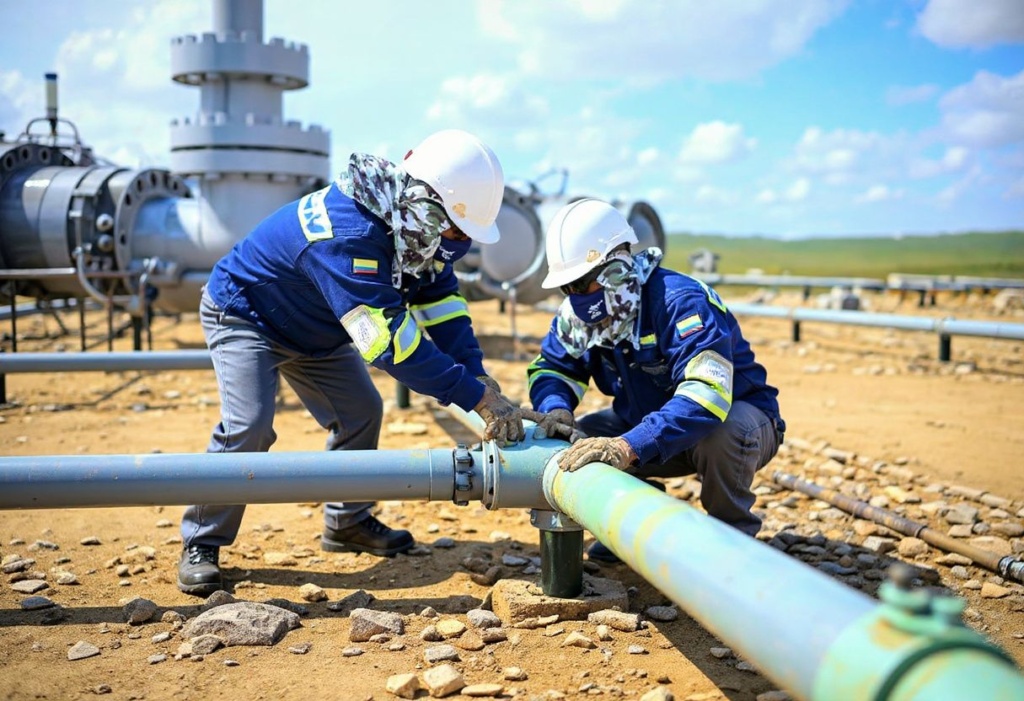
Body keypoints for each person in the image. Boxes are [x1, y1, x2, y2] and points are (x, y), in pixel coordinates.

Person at [178, 129, 525, 596]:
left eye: (466, 235)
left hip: (319, 323)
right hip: (248, 315)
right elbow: (389, 343)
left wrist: (475, 370)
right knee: (250, 424)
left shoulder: (416, 228)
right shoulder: (348, 235)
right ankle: (202, 542)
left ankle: (347, 522)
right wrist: (472, 395)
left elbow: (442, 303)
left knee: (361, 412)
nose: (459, 243)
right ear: (428, 206)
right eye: (456, 231)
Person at [527, 198, 785, 563]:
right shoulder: (577, 317)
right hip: (649, 424)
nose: (576, 297)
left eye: (583, 285)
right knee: (577, 442)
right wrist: (556, 409)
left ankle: (733, 543)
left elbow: (707, 396)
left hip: (735, 424)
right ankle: (632, 518)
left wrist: (628, 446)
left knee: (725, 433)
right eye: (567, 288)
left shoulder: (679, 302)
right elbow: (555, 368)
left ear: (615, 269)